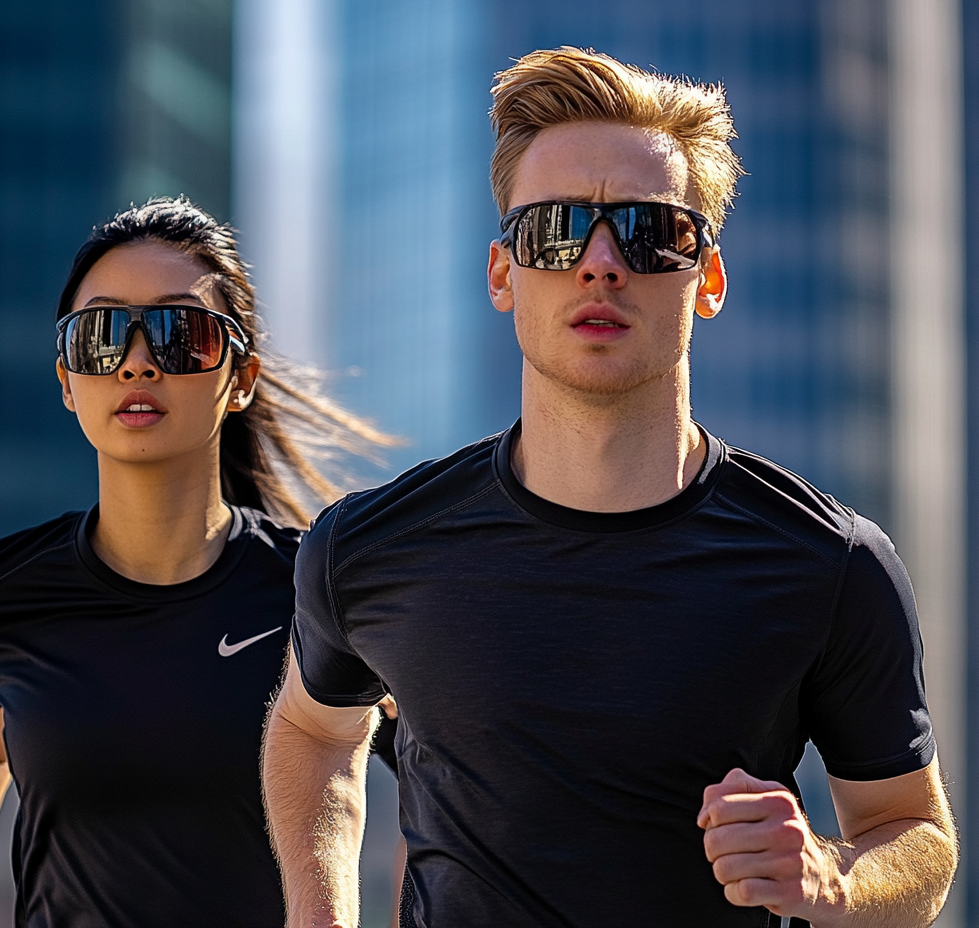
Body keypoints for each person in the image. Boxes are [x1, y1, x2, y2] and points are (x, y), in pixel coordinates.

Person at [262, 47, 957, 928]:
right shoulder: (368, 548)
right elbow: (315, 730)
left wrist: (833, 877)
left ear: (705, 278)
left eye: (649, 230)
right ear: (503, 273)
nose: (599, 263)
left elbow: (914, 833)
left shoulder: (830, 561)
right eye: (555, 230)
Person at [0, 196, 392, 928]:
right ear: (67, 379)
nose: (136, 362)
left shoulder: (322, 597)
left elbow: (453, 784)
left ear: (240, 377)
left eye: (178, 334)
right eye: (100, 335)